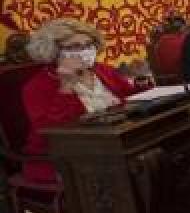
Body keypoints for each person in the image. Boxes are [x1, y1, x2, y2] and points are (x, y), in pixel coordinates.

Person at [21, 19, 148, 183]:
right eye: (74, 47)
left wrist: (141, 85)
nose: (85, 51)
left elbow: (130, 99)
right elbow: (50, 133)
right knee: (134, 171)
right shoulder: (36, 86)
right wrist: (66, 86)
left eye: (89, 44)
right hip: (63, 158)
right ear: (53, 51)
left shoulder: (103, 70)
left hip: (114, 145)